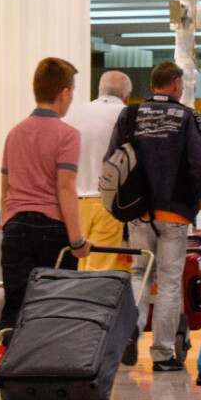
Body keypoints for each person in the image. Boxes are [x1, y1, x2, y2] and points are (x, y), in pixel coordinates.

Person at [111, 61, 201, 372]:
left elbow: (113, 159)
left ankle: (130, 331)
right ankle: (162, 352)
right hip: (175, 211)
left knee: (140, 273)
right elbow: (200, 163)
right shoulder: (188, 117)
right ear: (173, 84)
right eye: (181, 85)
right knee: (170, 280)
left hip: (138, 211)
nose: (181, 90)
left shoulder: (129, 114)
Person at [0, 57, 89, 342]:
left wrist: (8, 225)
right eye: (72, 92)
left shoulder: (14, 133)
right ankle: (48, 363)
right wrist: (77, 241)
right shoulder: (68, 135)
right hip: (53, 232)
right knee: (55, 304)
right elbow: (65, 187)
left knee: (15, 303)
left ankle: (8, 360)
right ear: (64, 92)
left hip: (16, 227)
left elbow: (5, 189)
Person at [67, 70, 133, 272]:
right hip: (107, 201)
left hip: (75, 203)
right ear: (127, 96)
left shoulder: (76, 113)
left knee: (81, 266)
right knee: (100, 271)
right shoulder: (126, 114)